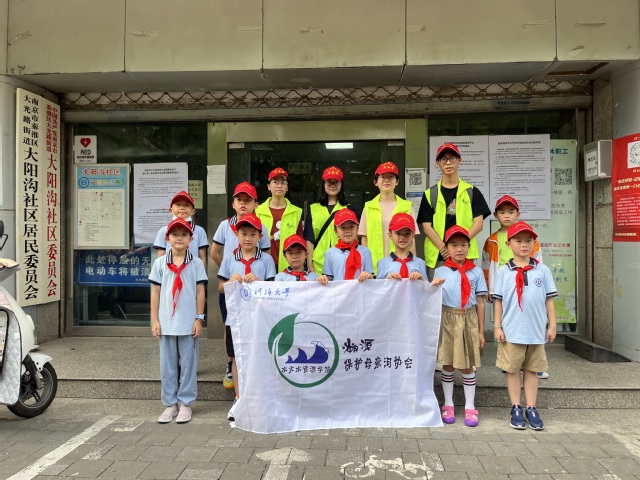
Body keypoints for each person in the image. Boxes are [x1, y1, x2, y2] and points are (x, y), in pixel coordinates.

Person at [493, 221, 557, 431]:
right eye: (518, 241)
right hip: (512, 330)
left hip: (536, 331)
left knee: (532, 369)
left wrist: (552, 325)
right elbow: (498, 301)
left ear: (534, 243)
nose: (524, 245)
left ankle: (531, 407)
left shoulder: (542, 270)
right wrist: (497, 326)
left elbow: (549, 299)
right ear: (508, 243)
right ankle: (515, 407)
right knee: (512, 370)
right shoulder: (503, 272)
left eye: (528, 240)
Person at [210, 182, 270, 391]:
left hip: (254, 289)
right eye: (239, 200)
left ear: (256, 204)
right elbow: (214, 252)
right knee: (230, 324)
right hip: (232, 286)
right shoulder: (225, 225)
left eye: (248, 200)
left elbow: (266, 256)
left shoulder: (261, 227)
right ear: (233, 203)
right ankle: (230, 364)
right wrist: (229, 272)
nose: (243, 204)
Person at [482, 195, 549, 380]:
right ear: (495, 215)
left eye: (511, 212)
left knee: (530, 320)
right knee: (505, 322)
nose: (506, 216)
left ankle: (533, 364)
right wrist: (489, 287)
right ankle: (509, 361)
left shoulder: (529, 237)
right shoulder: (492, 240)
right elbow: (486, 264)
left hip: (528, 284)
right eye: (502, 212)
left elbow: (538, 261)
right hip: (504, 285)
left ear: (518, 214)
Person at [217, 213, 277, 421]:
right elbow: (220, 287)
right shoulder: (229, 259)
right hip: (235, 318)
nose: (248, 238)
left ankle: (260, 398)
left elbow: (273, 289)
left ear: (260, 236)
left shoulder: (267, 260)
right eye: (243, 233)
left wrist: (259, 282)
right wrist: (230, 282)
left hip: (259, 318)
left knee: (259, 355)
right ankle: (239, 397)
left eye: (253, 234)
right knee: (237, 357)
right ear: (237, 235)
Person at [149, 218, 207, 424]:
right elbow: (155, 292)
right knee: (167, 366)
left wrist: (199, 318)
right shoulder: (160, 263)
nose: (179, 238)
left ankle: (186, 403)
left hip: (188, 322)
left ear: (191, 239)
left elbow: (200, 292)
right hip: (166, 323)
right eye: (175, 234)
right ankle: (170, 403)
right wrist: (154, 320)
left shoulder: (196, 263)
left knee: (188, 364)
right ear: (167, 238)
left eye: (184, 234)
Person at [434, 225, 487, 427]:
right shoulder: (440, 271)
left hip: (469, 319)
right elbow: (433, 300)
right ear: (446, 247)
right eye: (454, 245)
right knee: (447, 363)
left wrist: (481, 331)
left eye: (463, 245)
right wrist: (434, 285)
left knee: (467, 364)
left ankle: (470, 406)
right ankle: (448, 404)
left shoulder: (476, 272)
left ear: (469, 246)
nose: (459, 249)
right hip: (448, 318)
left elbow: (480, 302)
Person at [418, 142, 491, 280]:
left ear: (459, 160)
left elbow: (478, 224)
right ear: (437, 163)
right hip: (439, 255)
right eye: (443, 159)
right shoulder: (429, 194)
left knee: (466, 290)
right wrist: (444, 248)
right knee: (438, 292)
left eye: (452, 158)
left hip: (464, 255)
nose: (448, 162)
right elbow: (426, 227)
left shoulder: (471, 191)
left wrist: (458, 247)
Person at [359, 161, 419, 276]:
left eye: (391, 177)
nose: (387, 180)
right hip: (374, 268)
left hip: (400, 266)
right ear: (375, 182)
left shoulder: (406, 207)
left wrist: (413, 266)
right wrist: (365, 267)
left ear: (397, 182)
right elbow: (364, 239)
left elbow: (412, 239)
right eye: (383, 177)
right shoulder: (368, 207)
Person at [304, 166, 356, 274]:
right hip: (319, 265)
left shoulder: (349, 209)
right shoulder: (313, 209)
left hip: (344, 263)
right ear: (323, 184)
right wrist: (309, 265)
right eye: (329, 182)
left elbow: (354, 238)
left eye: (336, 182)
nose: (332, 185)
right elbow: (309, 239)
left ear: (341, 184)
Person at [255, 167, 303, 272]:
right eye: (275, 182)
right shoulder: (258, 211)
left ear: (287, 187)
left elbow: (300, 242)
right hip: (262, 265)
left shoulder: (296, 212)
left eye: (283, 183)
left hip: (289, 266)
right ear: (268, 186)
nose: (279, 186)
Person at [318, 209, 374, 284]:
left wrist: (368, 276)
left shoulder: (366, 252)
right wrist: (323, 278)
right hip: (339, 290)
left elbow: (371, 279)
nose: (348, 231)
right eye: (343, 227)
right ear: (336, 231)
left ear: (357, 228)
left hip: (359, 290)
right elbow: (329, 277)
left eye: (351, 226)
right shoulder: (330, 253)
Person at [153, 191, 208, 265]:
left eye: (187, 205)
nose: (182, 208)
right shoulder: (164, 231)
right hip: (169, 270)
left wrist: (201, 271)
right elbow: (160, 257)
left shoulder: (199, 231)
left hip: (192, 270)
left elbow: (202, 258)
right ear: (171, 210)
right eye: (178, 204)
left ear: (193, 211)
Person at [376, 212, 427, 281]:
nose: (402, 237)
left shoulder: (420, 263)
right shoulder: (382, 263)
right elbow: (377, 287)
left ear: (413, 235)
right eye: (398, 233)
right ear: (390, 235)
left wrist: (422, 280)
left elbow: (427, 287)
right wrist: (387, 281)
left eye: (407, 233)